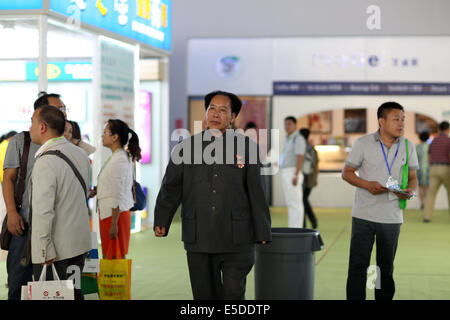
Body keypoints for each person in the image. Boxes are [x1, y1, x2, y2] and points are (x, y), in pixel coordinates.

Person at [154, 90, 272, 300]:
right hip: (199, 235)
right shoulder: (186, 147)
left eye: (223, 110)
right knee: (203, 295)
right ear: (206, 112)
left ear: (233, 117)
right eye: (212, 109)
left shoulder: (247, 148)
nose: (216, 114)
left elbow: (257, 192)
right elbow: (171, 187)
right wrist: (162, 218)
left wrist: (262, 230)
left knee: (233, 294)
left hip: (237, 237)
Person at [342, 101, 418, 300]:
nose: (401, 123)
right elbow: (347, 173)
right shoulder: (363, 143)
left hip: (392, 218)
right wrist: (367, 185)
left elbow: (413, 178)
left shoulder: (408, 146)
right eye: (396, 119)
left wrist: (411, 192)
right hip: (363, 215)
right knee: (358, 266)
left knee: (384, 269)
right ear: (381, 121)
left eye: (403, 119)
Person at [2, 92, 65, 300]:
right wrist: (12, 212)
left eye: (63, 110)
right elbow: (9, 178)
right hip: (24, 226)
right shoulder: (21, 141)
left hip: (57, 228)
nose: (63, 113)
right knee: (18, 285)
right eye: (59, 109)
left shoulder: (66, 143)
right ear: (41, 114)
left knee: (53, 289)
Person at [29, 105, 91, 300]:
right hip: (79, 244)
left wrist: (43, 249)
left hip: (55, 251)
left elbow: (43, 211)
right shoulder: (80, 153)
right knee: (74, 294)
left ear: (42, 127)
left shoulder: (45, 161)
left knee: (55, 296)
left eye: (32, 122)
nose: (29, 127)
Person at [90, 119, 140, 259]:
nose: (102, 135)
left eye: (105, 132)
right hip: (110, 213)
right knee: (110, 257)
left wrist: (113, 224)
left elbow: (117, 192)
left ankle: (115, 283)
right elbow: (113, 185)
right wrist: (97, 190)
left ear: (115, 137)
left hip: (114, 215)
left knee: (115, 259)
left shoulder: (119, 159)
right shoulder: (117, 157)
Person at [280, 116, 306, 228]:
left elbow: (300, 157)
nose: (287, 126)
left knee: (296, 203)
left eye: (289, 124)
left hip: (292, 173)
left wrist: (296, 174)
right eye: (285, 124)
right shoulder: (289, 138)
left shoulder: (298, 138)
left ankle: (297, 228)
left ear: (295, 125)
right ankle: (293, 227)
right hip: (286, 172)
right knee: (291, 203)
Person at [423, 121, 450, 222]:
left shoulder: (433, 141)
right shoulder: (449, 140)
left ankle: (426, 217)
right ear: (448, 129)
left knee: (431, 193)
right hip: (446, 168)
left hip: (433, 168)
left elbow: (429, 156)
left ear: (439, 129)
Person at [299, 128, 319, 229]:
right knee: (303, 200)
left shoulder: (305, 148)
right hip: (310, 180)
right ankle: (311, 221)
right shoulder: (311, 148)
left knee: (302, 201)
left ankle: (306, 223)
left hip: (305, 180)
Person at [416, 131, 430, 209]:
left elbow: (416, 160)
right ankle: (427, 203)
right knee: (427, 188)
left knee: (421, 188)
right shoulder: (430, 146)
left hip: (420, 170)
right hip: (428, 169)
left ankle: (422, 203)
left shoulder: (417, 147)